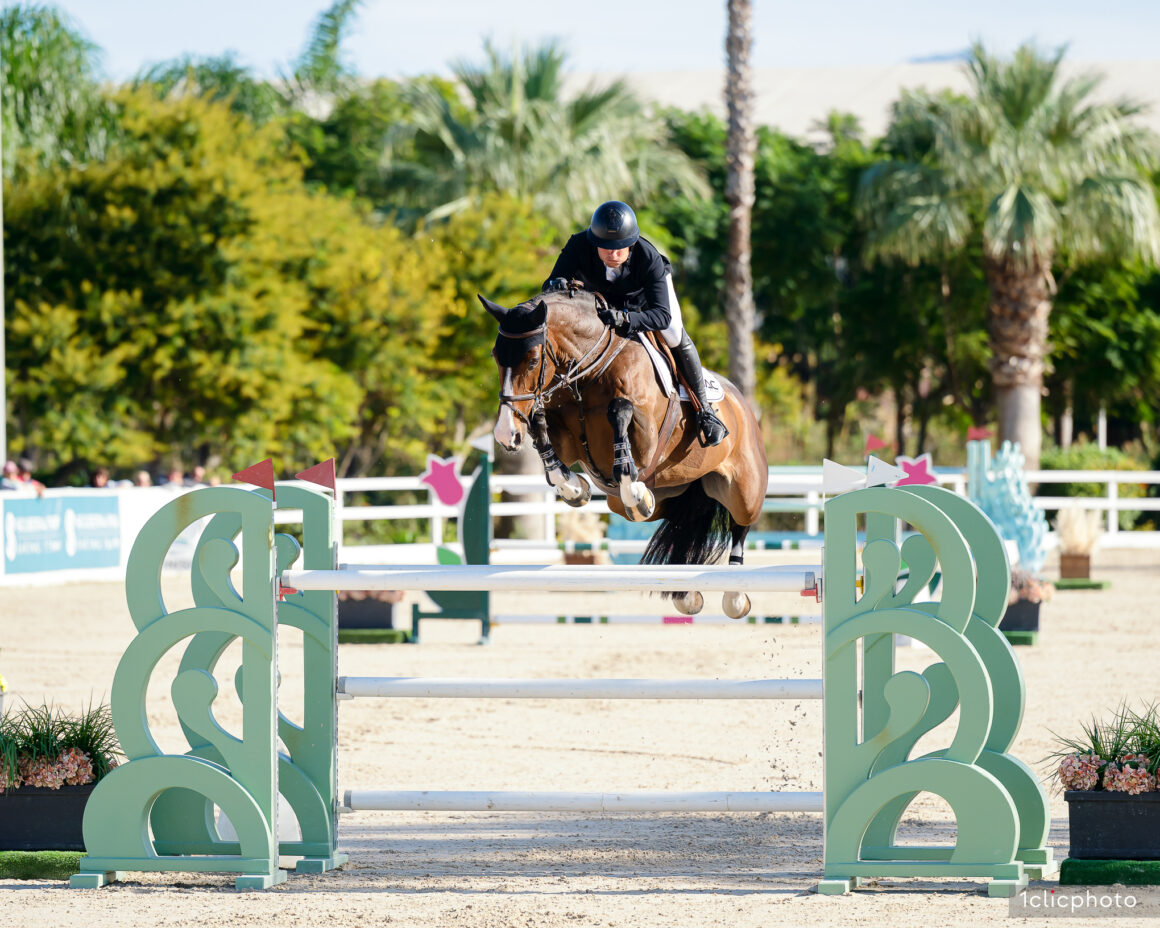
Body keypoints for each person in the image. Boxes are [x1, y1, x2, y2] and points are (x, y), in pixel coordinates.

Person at [543, 200, 728, 447]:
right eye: (606, 247)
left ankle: (705, 412)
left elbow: (662, 316)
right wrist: (556, 285)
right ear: (594, 241)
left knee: (673, 333)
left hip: (644, 304)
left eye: (620, 248)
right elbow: (550, 285)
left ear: (631, 243)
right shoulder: (578, 244)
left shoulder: (649, 259)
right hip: (601, 302)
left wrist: (627, 319)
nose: (613, 254)